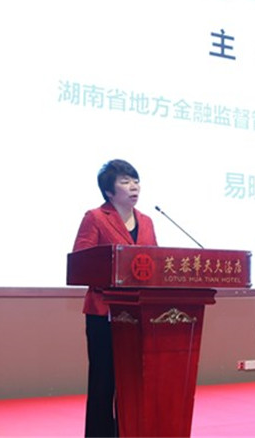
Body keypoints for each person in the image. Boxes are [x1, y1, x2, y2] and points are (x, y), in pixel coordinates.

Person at [73, 159, 158, 438]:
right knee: (104, 381)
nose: (134, 186)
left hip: (138, 314)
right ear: (109, 191)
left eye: (135, 181)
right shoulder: (95, 218)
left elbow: (156, 263)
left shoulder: (147, 221)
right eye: (125, 181)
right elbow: (81, 262)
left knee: (132, 383)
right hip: (104, 313)